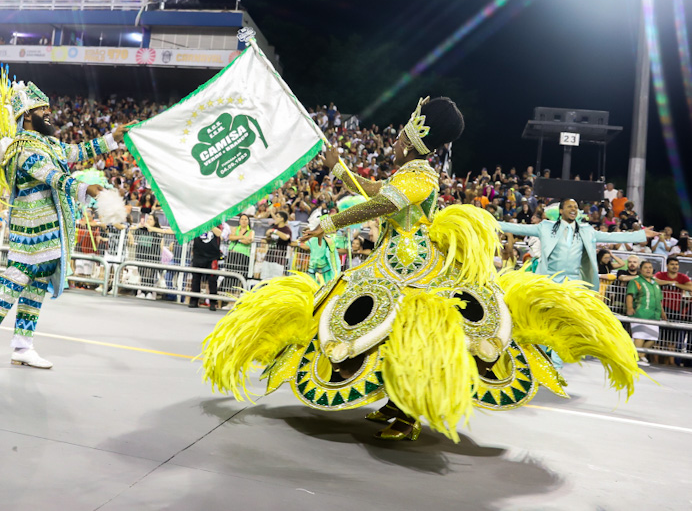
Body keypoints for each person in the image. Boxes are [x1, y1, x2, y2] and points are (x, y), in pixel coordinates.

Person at [202, 96, 641, 444]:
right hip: (393, 258)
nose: (392, 142)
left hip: (411, 265)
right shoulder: (411, 172)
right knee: (379, 328)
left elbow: (387, 202)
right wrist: (339, 167)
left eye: (398, 137)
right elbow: (378, 190)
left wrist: (332, 221)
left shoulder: (421, 174)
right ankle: (396, 402)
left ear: (414, 140)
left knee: (410, 328)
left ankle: (411, 410)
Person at [0, 67, 126, 371]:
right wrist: (87, 189)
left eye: (48, 109)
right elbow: (51, 176)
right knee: (11, 283)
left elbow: (77, 151)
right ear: (26, 116)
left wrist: (112, 138)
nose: (49, 114)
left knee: (36, 288)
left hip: (53, 230)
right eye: (42, 110)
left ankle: (23, 346)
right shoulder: (20, 149)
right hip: (30, 231)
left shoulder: (50, 144)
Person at [498, 199, 657, 289]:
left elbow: (614, 236)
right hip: (548, 281)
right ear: (561, 211)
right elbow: (517, 227)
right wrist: (486, 220)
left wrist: (641, 234)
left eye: (576, 207)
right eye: (569, 207)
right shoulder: (545, 227)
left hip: (574, 284)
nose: (574, 209)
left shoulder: (587, 230)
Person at [627, 261, 667, 366]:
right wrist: (630, 307)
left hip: (655, 315)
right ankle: (636, 358)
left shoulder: (655, 283)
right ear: (641, 270)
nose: (648, 269)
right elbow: (630, 294)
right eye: (645, 267)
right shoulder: (636, 281)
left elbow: (659, 300)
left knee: (653, 338)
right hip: (641, 313)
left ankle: (640, 355)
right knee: (639, 336)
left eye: (650, 267)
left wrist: (663, 313)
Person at [128, 213, 166, 299]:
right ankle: (143, 291)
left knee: (150, 275)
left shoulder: (157, 231)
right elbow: (130, 230)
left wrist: (151, 228)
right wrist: (138, 226)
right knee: (142, 274)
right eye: (147, 219)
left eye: (150, 219)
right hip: (141, 255)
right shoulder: (142, 229)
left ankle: (149, 292)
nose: (148, 221)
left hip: (152, 256)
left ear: (155, 222)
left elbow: (163, 233)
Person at [188, 225, 222, 311]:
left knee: (212, 280)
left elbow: (219, 234)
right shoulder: (198, 223)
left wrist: (210, 225)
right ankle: (194, 300)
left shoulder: (217, 223)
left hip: (212, 257)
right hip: (198, 255)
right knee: (195, 279)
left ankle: (213, 303)